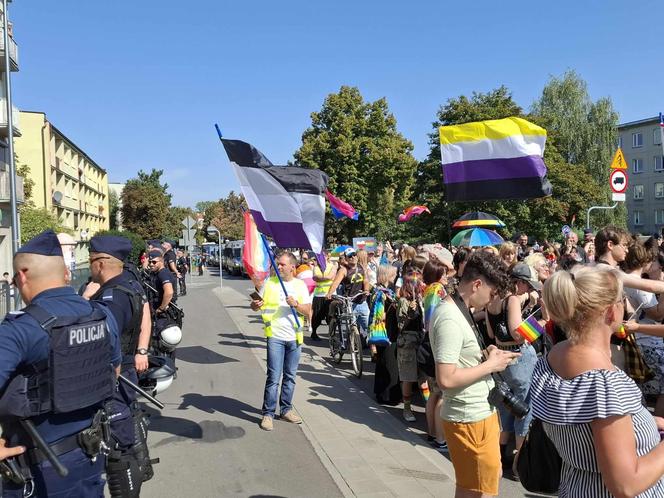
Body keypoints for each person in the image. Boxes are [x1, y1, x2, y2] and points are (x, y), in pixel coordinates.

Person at [0, 230, 122, 497]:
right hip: (91, 454)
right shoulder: (100, 314)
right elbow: (113, 371)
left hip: (37, 469)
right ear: (66, 274)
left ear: (21, 275)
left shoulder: (19, 329)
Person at [531, 268, 664, 497]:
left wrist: (647, 421)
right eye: (622, 299)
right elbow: (625, 485)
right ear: (611, 311)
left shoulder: (552, 359)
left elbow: (583, 420)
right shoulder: (605, 385)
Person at [430, 252, 518, 498]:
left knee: (476, 487)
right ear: (477, 284)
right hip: (469, 417)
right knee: (481, 491)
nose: (491, 302)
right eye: (491, 294)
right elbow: (446, 379)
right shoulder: (449, 316)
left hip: (476, 414)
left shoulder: (458, 309)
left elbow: (460, 358)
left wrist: (487, 354)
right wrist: (490, 365)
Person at [85, 235, 155, 497]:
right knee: (125, 424)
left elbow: (99, 340)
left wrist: (85, 302)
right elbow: (146, 317)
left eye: (90, 260)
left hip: (114, 372)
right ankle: (135, 469)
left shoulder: (111, 297)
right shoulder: (131, 284)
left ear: (101, 263)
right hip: (126, 368)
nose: (89, 265)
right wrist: (141, 349)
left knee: (116, 441)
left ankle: (127, 485)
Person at [485, 263, 541, 479]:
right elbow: (518, 334)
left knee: (508, 406)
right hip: (519, 358)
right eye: (526, 286)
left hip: (502, 357)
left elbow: (492, 332)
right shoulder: (513, 299)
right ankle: (520, 462)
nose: (527, 290)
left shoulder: (493, 300)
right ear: (518, 283)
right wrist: (539, 323)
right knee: (524, 409)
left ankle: (501, 454)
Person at [251, 252, 311, 431]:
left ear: (293, 267)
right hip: (275, 336)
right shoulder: (270, 283)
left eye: (282, 264)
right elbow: (255, 305)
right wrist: (255, 305)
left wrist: (296, 305)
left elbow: (308, 311)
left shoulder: (300, 285)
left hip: (295, 337)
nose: (279, 267)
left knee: (290, 377)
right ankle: (268, 414)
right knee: (274, 377)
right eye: (278, 264)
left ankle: (286, 410)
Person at [326, 247, 371, 342]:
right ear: (346, 258)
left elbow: (366, 280)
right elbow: (336, 282)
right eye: (350, 256)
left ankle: (373, 352)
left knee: (369, 328)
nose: (353, 257)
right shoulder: (343, 270)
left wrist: (366, 290)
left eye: (354, 254)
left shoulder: (362, 267)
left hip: (362, 301)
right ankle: (348, 345)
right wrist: (330, 293)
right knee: (350, 328)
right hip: (349, 302)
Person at [147, 250, 176, 332]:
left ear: (161, 262)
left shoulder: (163, 273)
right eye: (150, 262)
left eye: (154, 262)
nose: (151, 264)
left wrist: (161, 308)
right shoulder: (157, 273)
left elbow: (169, 292)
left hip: (163, 313)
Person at [311, 250, 336, 341]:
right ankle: (314, 333)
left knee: (331, 316)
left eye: (323, 256)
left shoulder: (332, 266)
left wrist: (320, 278)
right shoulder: (316, 267)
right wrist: (325, 277)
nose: (321, 258)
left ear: (327, 257)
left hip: (330, 295)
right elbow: (314, 277)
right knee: (317, 316)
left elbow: (331, 276)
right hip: (319, 295)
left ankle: (332, 335)